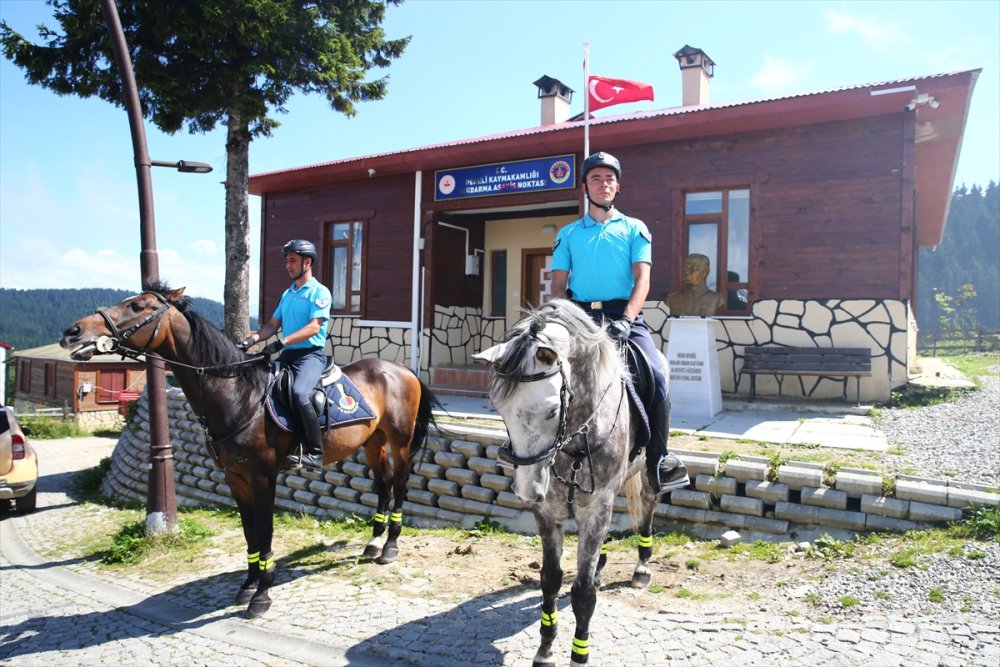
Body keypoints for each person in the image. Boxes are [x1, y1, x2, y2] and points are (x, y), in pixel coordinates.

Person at [549, 151, 689, 494]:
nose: (603, 184)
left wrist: (626, 319)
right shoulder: (568, 234)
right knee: (538, 367)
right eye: (596, 178)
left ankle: (660, 459)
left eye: (609, 178)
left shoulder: (634, 228)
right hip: (578, 315)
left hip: (623, 317)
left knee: (655, 373)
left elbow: (642, 281)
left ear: (617, 186)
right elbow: (557, 284)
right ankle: (527, 450)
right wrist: (566, 317)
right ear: (585, 187)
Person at [240, 239, 332, 469]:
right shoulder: (288, 293)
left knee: (300, 394)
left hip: (310, 357)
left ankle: (315, 452)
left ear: (307, 262)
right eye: (286, 261)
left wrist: (282, 343)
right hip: (288, 356)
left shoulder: (319, 292)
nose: (287, 266)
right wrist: (250, 339)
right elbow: (272, 325)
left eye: (292, 260)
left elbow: (314, 327)